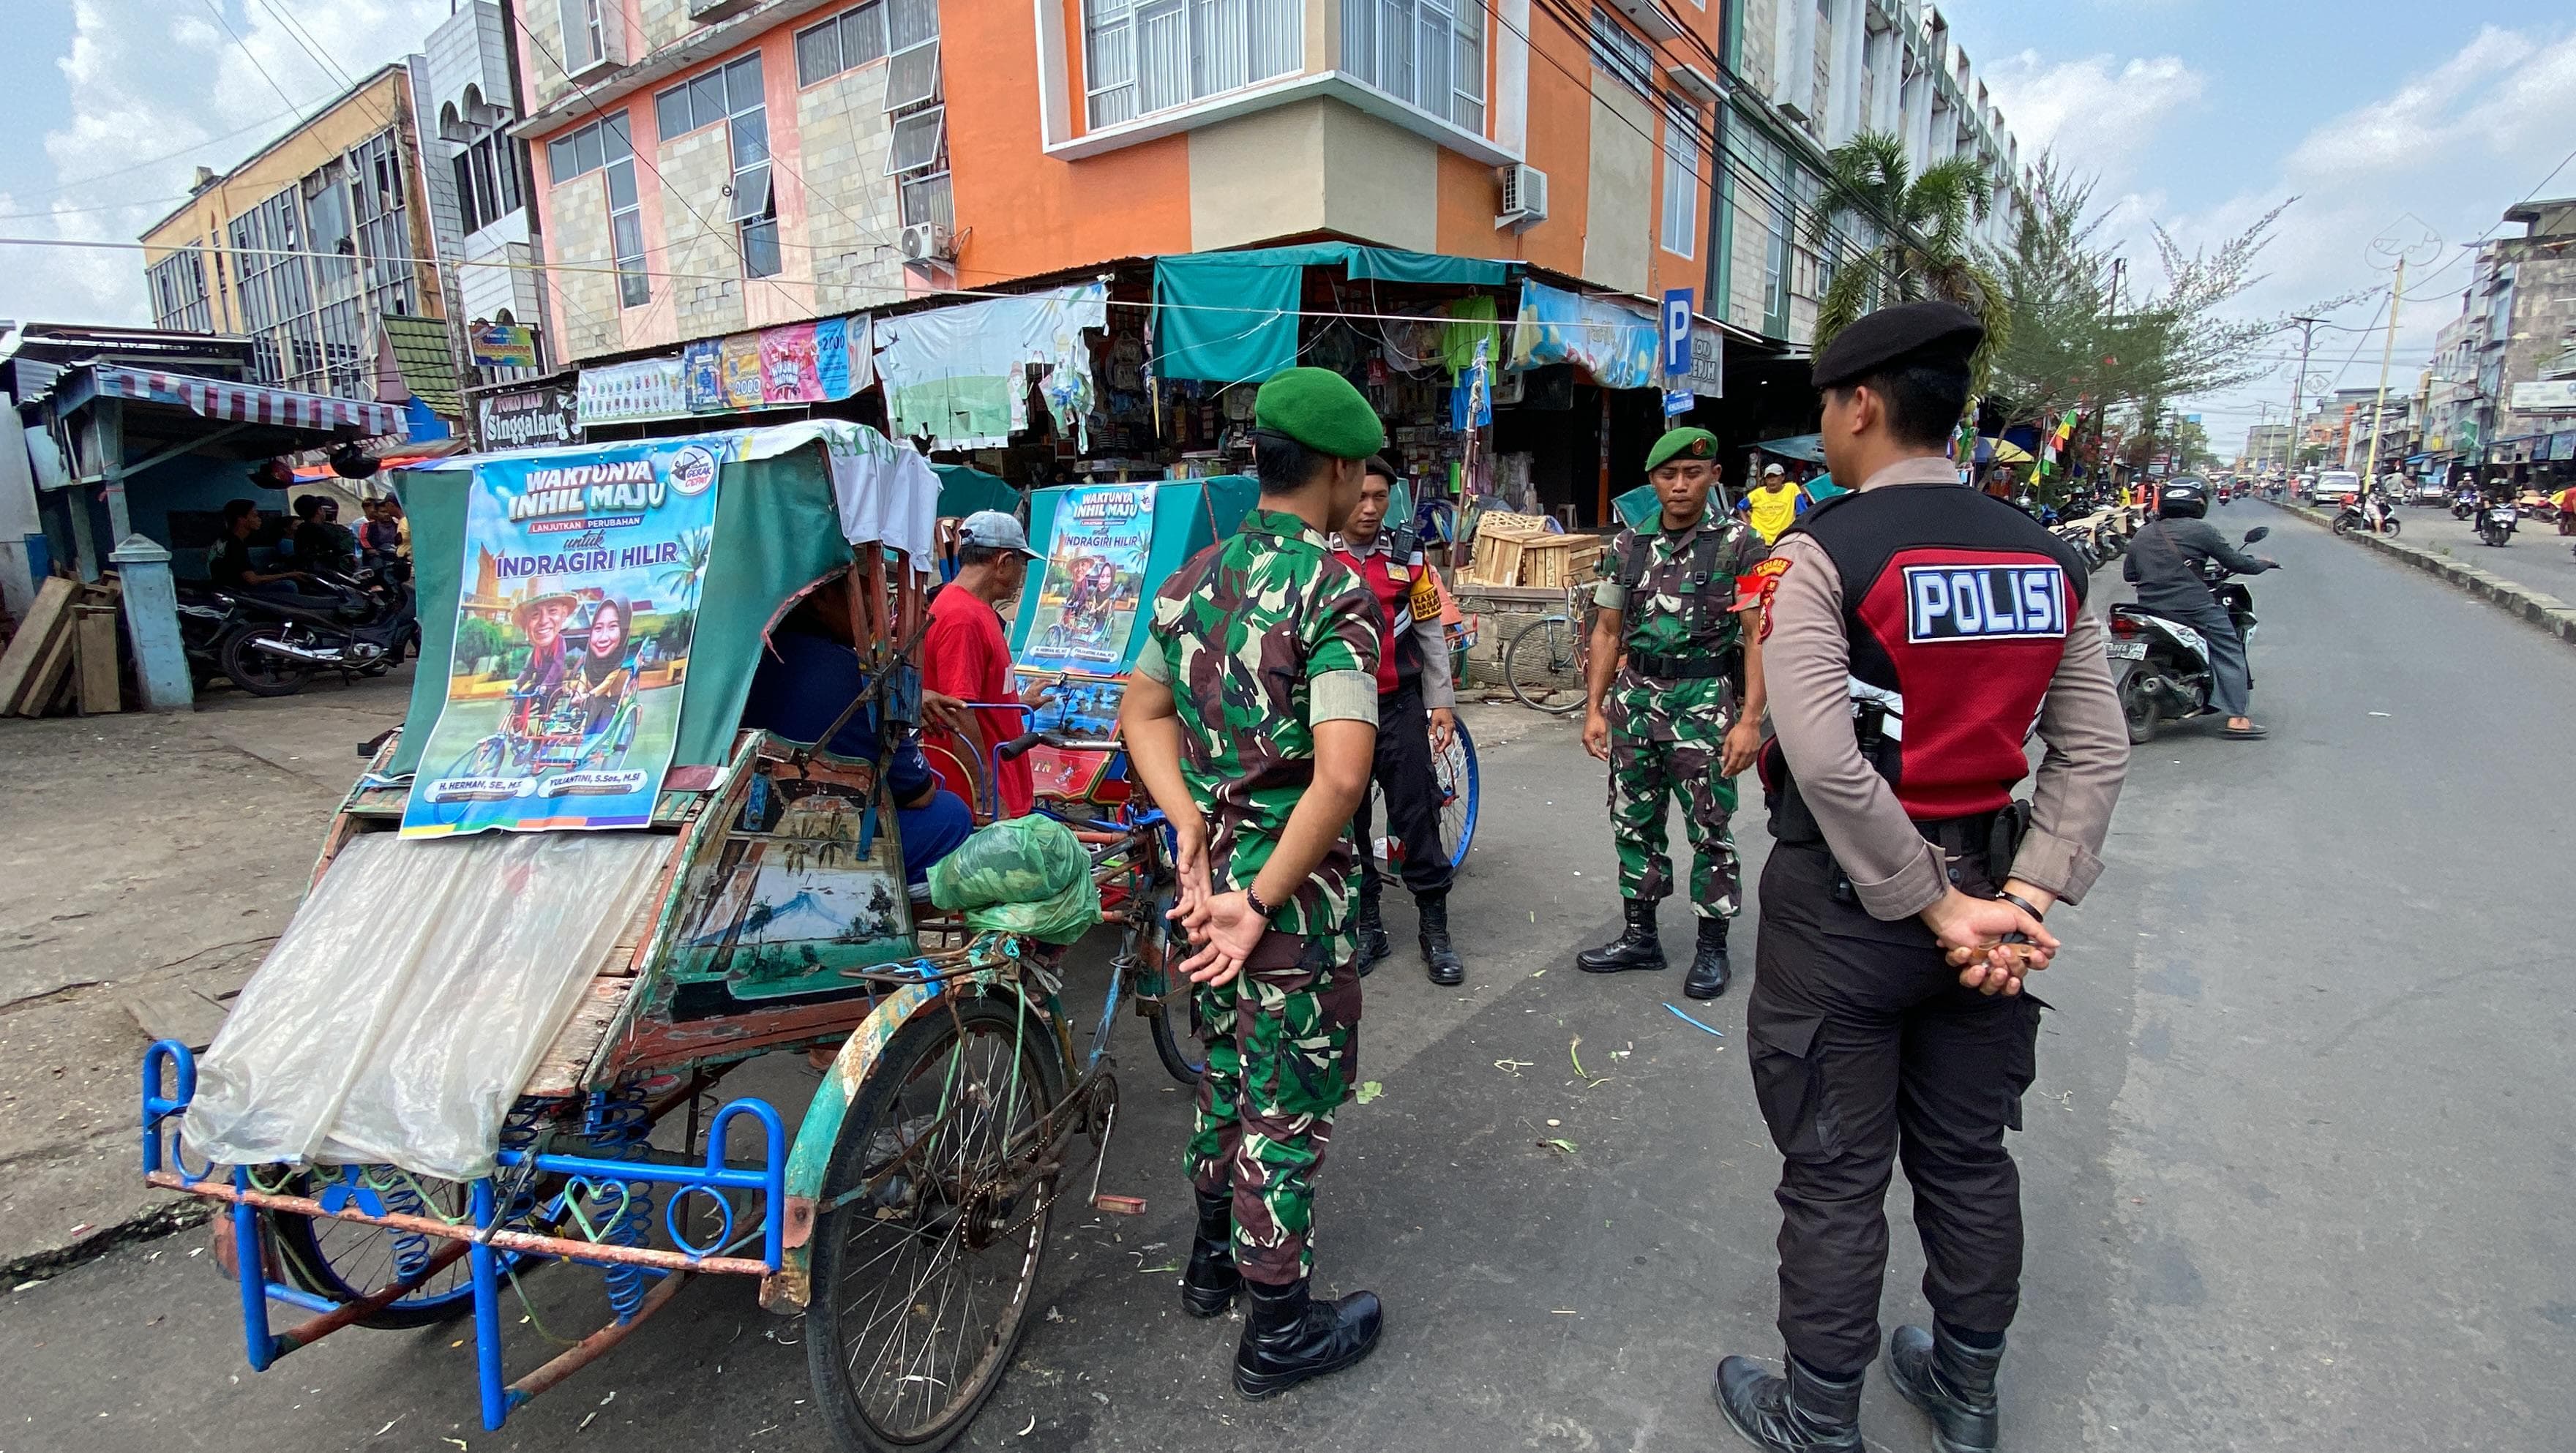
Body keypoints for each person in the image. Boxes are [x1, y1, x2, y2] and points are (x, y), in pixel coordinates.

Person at [1710, 300, 2130, 1453]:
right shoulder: (2053, 557)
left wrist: (1934, 901)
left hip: (1852, 915)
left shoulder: (1825, 553)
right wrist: (2016, 902)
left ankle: (1820, 1414)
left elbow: (1826, 757)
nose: (1825, 433)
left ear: (1862, 405)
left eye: (1826, 412)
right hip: (1988, 912)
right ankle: (1967, 1389)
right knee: (1967, 1153)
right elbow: (2095, 750)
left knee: (1837, 1171)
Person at [1119, 365, 1385, 1400]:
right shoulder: (1336, 587)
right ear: (1333, 470)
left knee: (1224, 1076)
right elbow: (1344, 774)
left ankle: (1210, 1260)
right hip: (1284, 899)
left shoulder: (1192, 581)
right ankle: (1277, 1328)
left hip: (1209, 881)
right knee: (1284, 1106)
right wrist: (1268, 896)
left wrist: (1188, 816)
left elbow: (1140, 711)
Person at [1576, 427, 1770, 1000]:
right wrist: (1594, 709)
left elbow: (1758, 635)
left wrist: (1751, 719)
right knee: (1632, 821)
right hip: (1635, 704)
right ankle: (1641, 936)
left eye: (1692, 474)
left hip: (1704, 703)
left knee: (1710, 825)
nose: (1680, 486)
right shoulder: (1628, 547)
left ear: (1712, 476)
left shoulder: (1742, 544)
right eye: (1668, 475)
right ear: (1653, 481)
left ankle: (1712, 946)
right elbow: (1607, 631)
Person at [738, 576, 974, 885]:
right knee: (952, 814)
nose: (875, 610)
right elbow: (919, 794)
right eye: (865, 594)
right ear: (821, 599)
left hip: (754, 821)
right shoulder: (854, 675)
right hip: (819, 834)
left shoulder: (752, 660)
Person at [1331, 455, 1467, 985]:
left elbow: (1429, 629)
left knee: (1416, 817)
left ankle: (1436, 929)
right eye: (1361, 496)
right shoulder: (1316, 553)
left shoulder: (1409, 552)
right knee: (1349, 823)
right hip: (1338, 714)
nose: (1369, 509)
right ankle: (1369, 928)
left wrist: (1443, 703)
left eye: (1380, 498)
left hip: (1400, 706)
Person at [2123, 479, 2277, 740]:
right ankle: (2238, 718)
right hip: (2193, 608)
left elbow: (2130, 574)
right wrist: (2263, 563)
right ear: (2199, 503)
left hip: (2149, 609)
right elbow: (2237, 562)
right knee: (2229, 648)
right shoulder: (2202, 531)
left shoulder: (2144, 533)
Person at [921, 511, 1051, 819]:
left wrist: (1017, 703)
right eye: (1022, 564)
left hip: (1000, 786)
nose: (1021, 575)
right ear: (1004, 562)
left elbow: (973, 698)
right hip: (980, 799)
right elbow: (959, 712)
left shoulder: (973, 609)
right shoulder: (961, 617)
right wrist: (986, 796)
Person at [203, 499, 307, 597]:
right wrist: (291, 575)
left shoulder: (225, 539)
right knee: (289, 586)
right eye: (254, 516)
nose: (259, 519)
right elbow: (252, 579)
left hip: (224, 589)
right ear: (241, 520)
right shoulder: (235, 545)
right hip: (237, 592)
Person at [567, 598, 634, 735]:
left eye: (613, 627)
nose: (603, 637)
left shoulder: (622, 664)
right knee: (569, 716)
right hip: (585, 700)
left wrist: (588, 696)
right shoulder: (589, 659)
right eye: (598, 628)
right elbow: (584, 675)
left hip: (609, 701)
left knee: (599, 726)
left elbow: (607, 684)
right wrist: (579, 695)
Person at [511, 588, 579, 706]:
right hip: (538, 684)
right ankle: (518, 723)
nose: (543, 621)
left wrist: (546, 685)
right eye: (535, 615)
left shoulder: (560, 641)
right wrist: (517, 684)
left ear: (563, 614)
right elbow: (528, 670)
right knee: (521, 703)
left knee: (545, 705)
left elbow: (557, 666)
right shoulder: (537, 648)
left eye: (552, 611)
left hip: (553, 685)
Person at [1740, 462, 1811, 546]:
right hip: (1760, 541)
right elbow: (1741, 507)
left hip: (1783, 541)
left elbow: (1802, 513)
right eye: (1769, 477)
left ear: (1783, 477)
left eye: (1775, 476)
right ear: (1765, 480)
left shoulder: (1792, 489)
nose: (1772, 480)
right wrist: (1748, 525)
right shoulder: (1756, 494)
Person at [288, 494, 359, 576]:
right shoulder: (319, 529)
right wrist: (349, 555)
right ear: (319, 510)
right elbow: (333, 546)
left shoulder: (301, 529)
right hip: (323, 573)